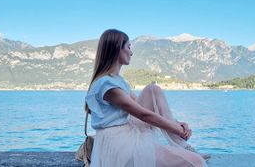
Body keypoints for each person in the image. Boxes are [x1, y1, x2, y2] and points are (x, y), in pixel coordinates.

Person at [85, 29, 209, 167]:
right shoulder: (106, 84)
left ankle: (182, 145)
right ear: (116, 48)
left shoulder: (118, 80)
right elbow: (143, 114)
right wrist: (177, 130)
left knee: (153, 89)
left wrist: (177, 123)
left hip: (127, 131)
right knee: (196, 162)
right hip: (118, 144)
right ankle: (182, 144)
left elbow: (144, 106)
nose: (131, 52)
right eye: (128, 47)